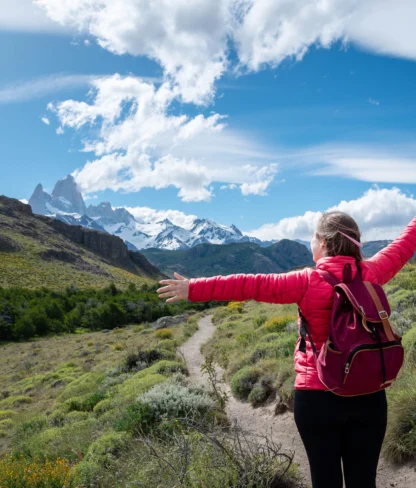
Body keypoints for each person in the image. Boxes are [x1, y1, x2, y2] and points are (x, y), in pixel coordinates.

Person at [156, 211, 416, 488]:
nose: (311, 244)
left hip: (317, 397)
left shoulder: (305, 280)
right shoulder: (373, 273)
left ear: (324, 242)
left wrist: (194, 288)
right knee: (363, 480)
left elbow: (248, 285)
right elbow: (406, 243)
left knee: (324, 479)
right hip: (369, 394)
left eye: (313, 237)